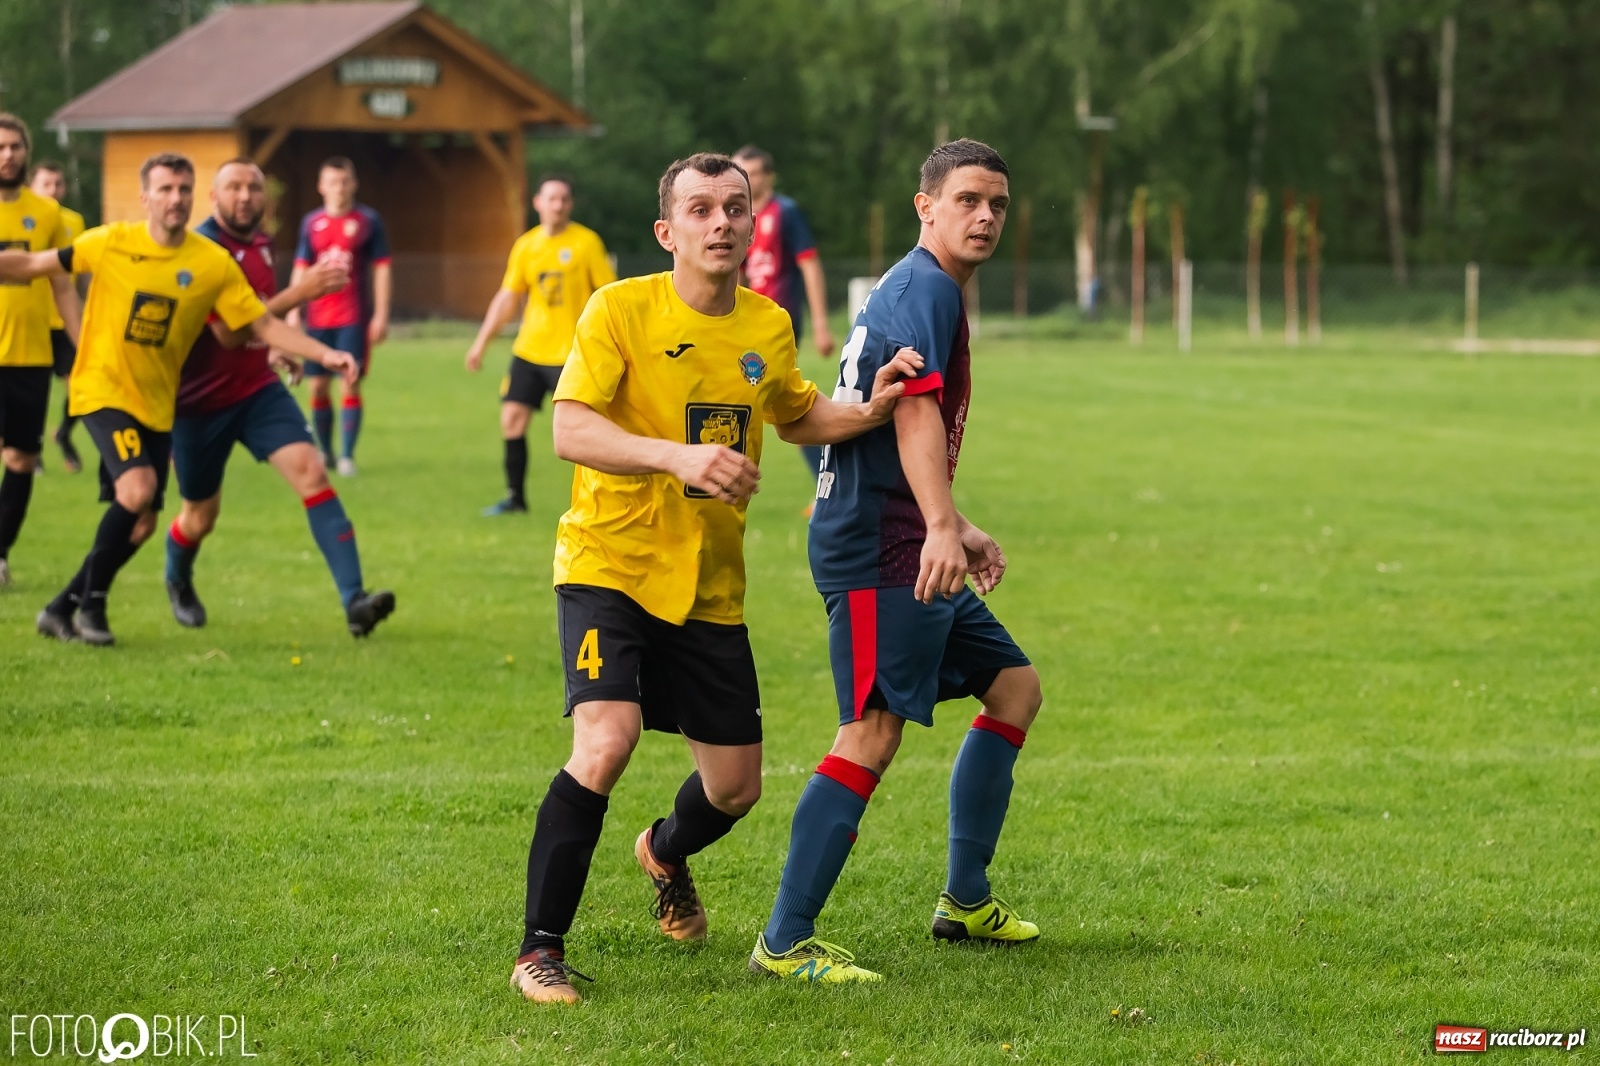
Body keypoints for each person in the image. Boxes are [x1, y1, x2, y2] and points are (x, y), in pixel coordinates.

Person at [509, 152, 922, 1005]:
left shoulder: (765, 326)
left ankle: (663, 851)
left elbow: (798, 412)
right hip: (608, 565)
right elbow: (571, 432)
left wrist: (870, 411)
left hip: (709, 590)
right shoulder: (618, 310)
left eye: (735, 207)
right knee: (605, 741)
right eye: (700, 209)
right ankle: (538, 951)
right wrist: (677, 456)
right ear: (668, 231)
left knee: (735, 789)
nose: (722, 222)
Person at [751, 139, 1044, 983]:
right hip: (883, 550)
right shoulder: (924, 288)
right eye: (967, 200)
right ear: (927, 205)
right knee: (870, 733)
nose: (984, 215)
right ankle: (783, 940)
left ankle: (964, 899)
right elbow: (911, 414)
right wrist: (942, 528)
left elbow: (887, 418)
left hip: (908, 534)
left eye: (997, 202)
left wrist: (956, 523)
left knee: (1015, 688)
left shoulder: (926, 288)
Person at [0, 152, 358, 647]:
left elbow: (260, 324)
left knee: (142, 522)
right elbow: (35, 263)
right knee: (139, 488)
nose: (176, 199)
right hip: (103, 387)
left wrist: (327, 354)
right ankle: (94, 608)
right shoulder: (111, 241)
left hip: (157, 401)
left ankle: (61, 607)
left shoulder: (210, 262)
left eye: (183, 190)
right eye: (165, 189)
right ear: (145, 197)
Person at [164, 158, 396, 637]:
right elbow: (230, 330)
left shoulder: (262, 244)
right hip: (199, 404)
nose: (246, 196)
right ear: (214, 197)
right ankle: (178, 578)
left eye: (253, 187)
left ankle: (355, 601)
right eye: (234, 188)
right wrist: (302, 293)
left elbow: (255, 328)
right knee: (200, 516)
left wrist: (272, 350)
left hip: (256, 391)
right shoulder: (205, 249)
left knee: (313, 473)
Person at [465, 175, 615, 515]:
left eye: (564, 199)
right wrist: (481, 343)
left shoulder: (586, 243)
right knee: (512, 420)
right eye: (552, 199)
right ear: (538, 203)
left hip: (572, 354)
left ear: (570, 204)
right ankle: (515, 498)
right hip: (530, 350)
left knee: (584, 431)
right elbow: (508, 297)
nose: (558, 205)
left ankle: (600, 502)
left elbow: (607, 296)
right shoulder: (526, 246)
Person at [0, 115, 81, 588]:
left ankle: (2, 552)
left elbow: (64, 288)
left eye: (15, 146)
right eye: (1, 146)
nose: (7, 154)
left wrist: (83, 345)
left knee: (21, 460)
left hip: (30, 356)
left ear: (26, 153)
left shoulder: (47, 214)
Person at [732, 145, 835, 478]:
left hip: (780, 321)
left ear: (768, 176)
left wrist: (821, 324)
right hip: (746, 321)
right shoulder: (738, 216)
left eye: (751, 172)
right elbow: (740, 273)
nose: (744, 179)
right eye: (739, 172)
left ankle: (830, 481)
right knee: (768, 402)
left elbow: (810, 266)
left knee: (781, 406)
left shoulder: (785, 212)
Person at [288, 156, 390, 477]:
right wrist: (293, 310)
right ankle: (326, 452)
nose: (339, 188)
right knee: (317, 386)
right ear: (321, 186)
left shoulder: (368, 221)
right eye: (332, 182)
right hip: (318, 319)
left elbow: (382, 268)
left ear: (354, 184)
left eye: (344, 181)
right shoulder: (311, 224)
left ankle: (347, 456)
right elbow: (301, 268)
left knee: (350, 381)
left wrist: (381, 314)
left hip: (352, 318)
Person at [27, 160, 87, 472]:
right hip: (33, 322)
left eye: (57, 184)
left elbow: (78, 272)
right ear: (31, 188)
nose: (53, 190)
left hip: (66, 321)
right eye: (45, 184)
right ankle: (32, 448)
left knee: (81, 385)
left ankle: (64, 434)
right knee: (35, 391)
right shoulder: (22, 218)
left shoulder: (73, 222)